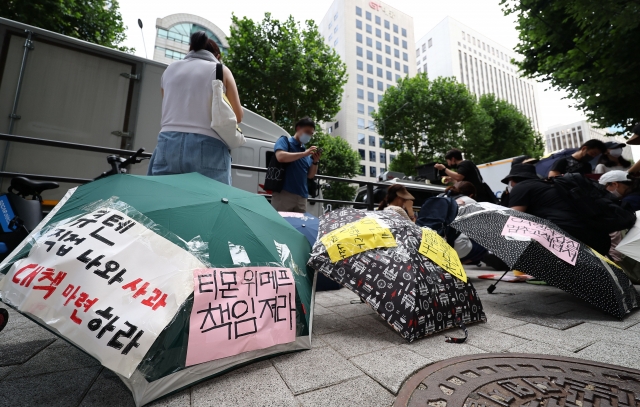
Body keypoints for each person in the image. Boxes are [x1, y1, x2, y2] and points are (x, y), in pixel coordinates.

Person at [147, 31, 243, 184]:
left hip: (168, 142)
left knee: (165, 199)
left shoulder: (169, 70)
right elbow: (237, 116)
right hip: (208, 144)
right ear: (217, 56)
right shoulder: (220, 70)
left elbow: (167, 104)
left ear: (190, 49)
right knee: (209, 202)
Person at [504, 164, 611, 255]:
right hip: (596, 235)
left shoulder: (521, 187)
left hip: (565, 235)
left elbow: (514, 218)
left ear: (512, 180)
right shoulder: (549, 185)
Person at [270, 117, 322, 213]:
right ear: (298, 128)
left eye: (311, 134)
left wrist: (315, 161)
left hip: (301, 197)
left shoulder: (305, 151)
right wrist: (304, 154)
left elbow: (310, 175)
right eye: (307, 132)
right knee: (281, 226)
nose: (308, 136)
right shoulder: (285, 141)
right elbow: (280, 156)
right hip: (284, 195)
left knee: (299, 227)